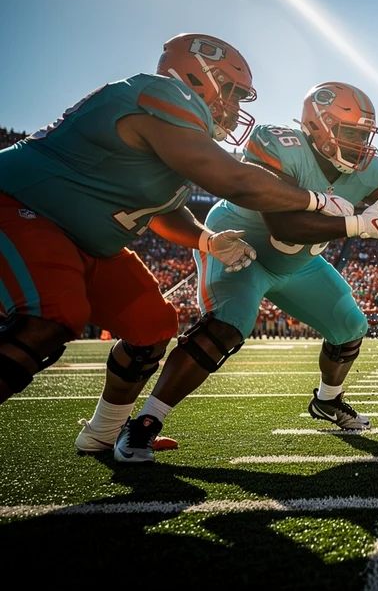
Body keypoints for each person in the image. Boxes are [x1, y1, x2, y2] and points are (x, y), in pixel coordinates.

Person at [111, 83, 378, 462]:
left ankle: (327, 400)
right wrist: (356, 224)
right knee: (228, 325)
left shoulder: (367, 167)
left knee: (350, 326)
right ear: (316, 125)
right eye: (349, 132)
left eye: (364, 135)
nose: (359, 144)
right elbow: (283, 226)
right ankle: (146, 422)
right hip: (242, 250)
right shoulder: (279, 147)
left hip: (300, 263)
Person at [0, 34, 354, 437]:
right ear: (196, 76)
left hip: (86, 242)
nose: (236, 107)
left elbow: (162, 210)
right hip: (18, 206)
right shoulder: (160, 92)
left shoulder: (177, 134)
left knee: (152, 325)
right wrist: (314, 200)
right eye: (233, 92)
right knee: (52, 315)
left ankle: (103, 433)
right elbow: (231, 179)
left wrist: (207, 240)